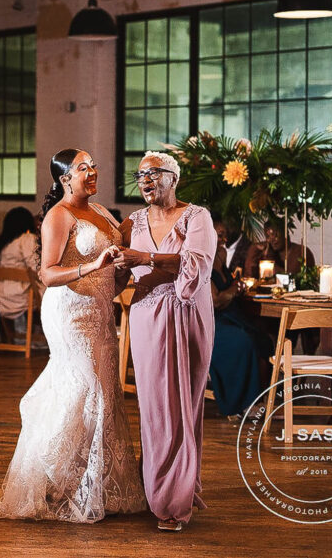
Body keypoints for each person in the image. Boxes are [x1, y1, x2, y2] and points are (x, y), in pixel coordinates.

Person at [0, 149, 144, 523]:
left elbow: (114, 268)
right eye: (83, 168)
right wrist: (91, 266)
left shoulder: (102, 213)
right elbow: (47, 274)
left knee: (104, 392)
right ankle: (53, 478)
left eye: (94, 166)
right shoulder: (58, 216)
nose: (92, 171)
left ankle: (95, 485)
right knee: (87, 390)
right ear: (65, 179)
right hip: (70, 313)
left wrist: (122, 263)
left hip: (100, 311)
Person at [116, 150, 216, 532]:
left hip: (189, 316)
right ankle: (159, 491)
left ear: (174, 178)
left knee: (184, 406)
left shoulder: (197, 217)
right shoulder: (131, 222)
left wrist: (145, 257)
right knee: (155, 407)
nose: (145, 180)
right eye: (140, 175)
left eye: (154, 173)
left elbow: (195, 266)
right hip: (147, 318)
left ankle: (176, 496)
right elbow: (117, 274)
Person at [208, 237, 266, 419]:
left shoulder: (221, 257)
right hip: (211, 322)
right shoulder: (201, 261)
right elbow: (215, 301)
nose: (223, 239)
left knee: (263, 339)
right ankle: (240, 404)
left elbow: (231, 286)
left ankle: (261, 398)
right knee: (241, 341)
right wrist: (233, 290)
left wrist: (234, 288)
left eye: (224, 235)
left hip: (230, 316)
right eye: (219, 234)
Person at [0, 207, 45, 347]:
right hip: (22, 293)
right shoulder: (27, 239)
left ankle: (21, 336)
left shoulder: (4, 243)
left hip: (2, 294)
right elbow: (35, 266)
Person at [244, 218, 315, 279]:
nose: (272, 240)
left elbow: (292, 279)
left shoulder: (301, 252)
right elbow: (249, 277)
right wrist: (254, 249)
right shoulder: (267, 251)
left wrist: (271, 263)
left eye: (275, 235)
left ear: (285, 232)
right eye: (268, 237)